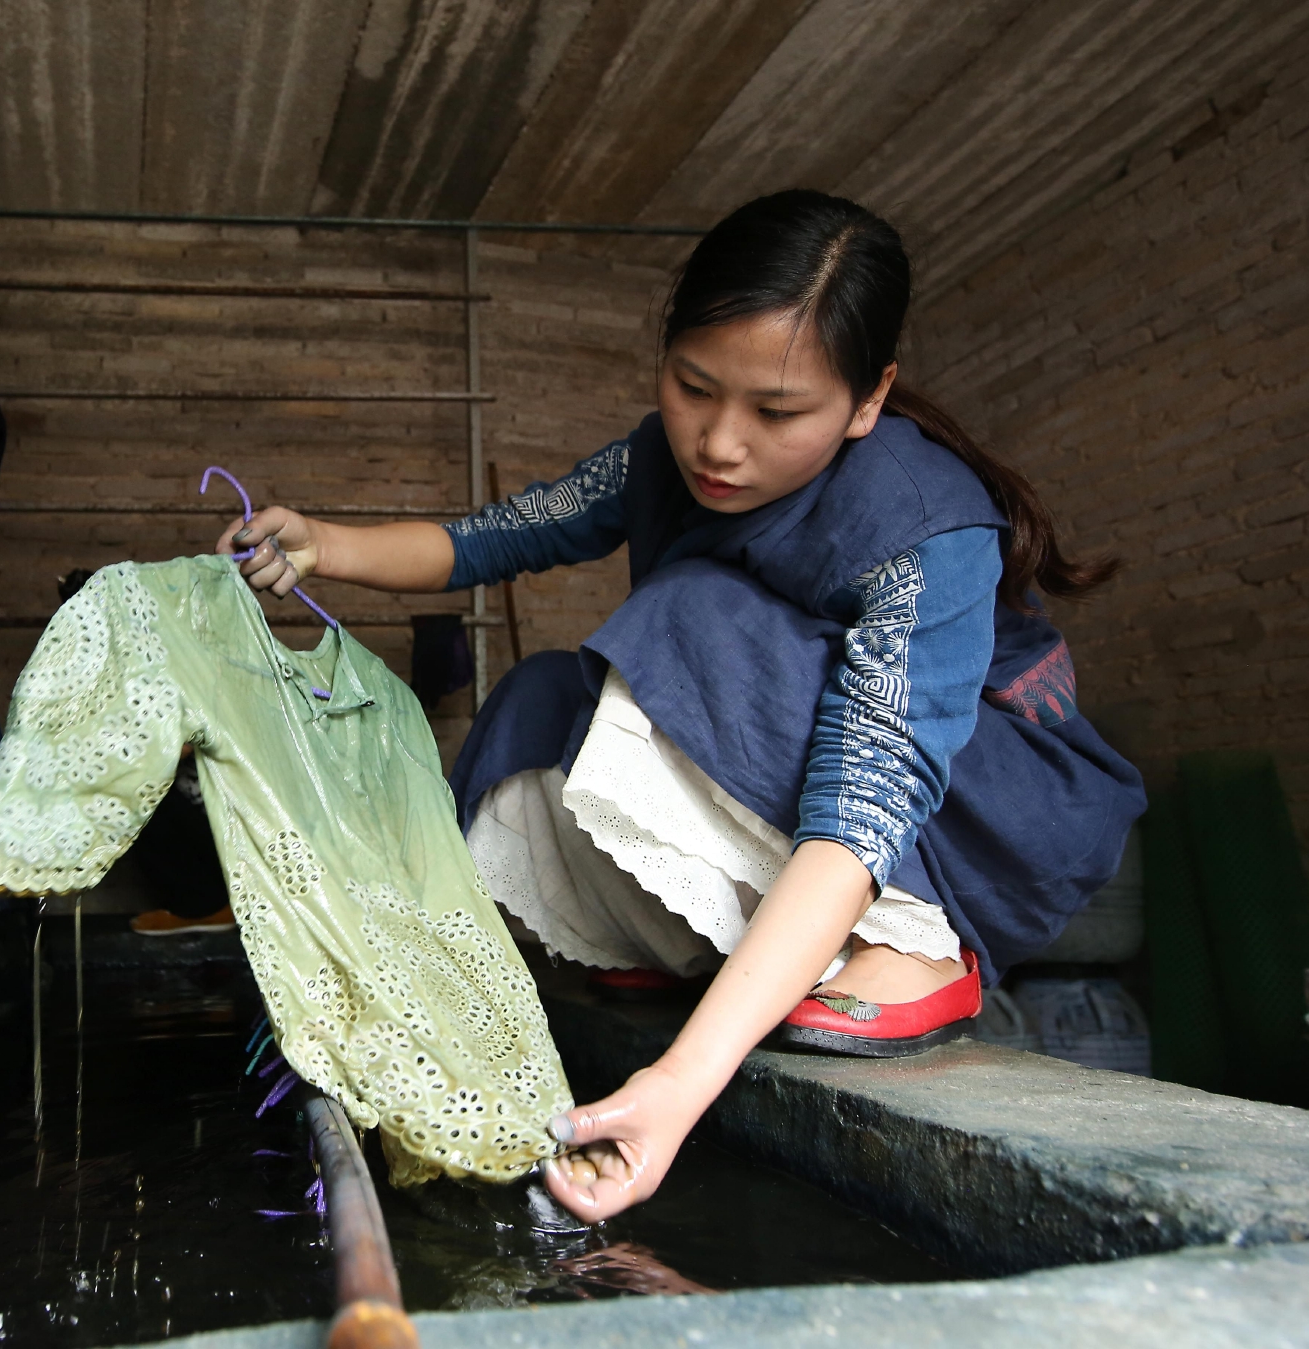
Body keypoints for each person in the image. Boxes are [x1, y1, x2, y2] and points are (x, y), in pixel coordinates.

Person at [211, 191, 1145, 1221]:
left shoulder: (925, 528)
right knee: (536, 697)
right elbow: (498, 536)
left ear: (867, 398)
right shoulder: (662, 454)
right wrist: (322, 545)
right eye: (692, 386)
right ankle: (686, 942)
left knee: (688, 612)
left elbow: (864, 795)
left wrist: (679, 1082)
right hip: (806, 768)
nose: (719, 443)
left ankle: (912, 948)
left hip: (979, 808)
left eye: (775, 411)